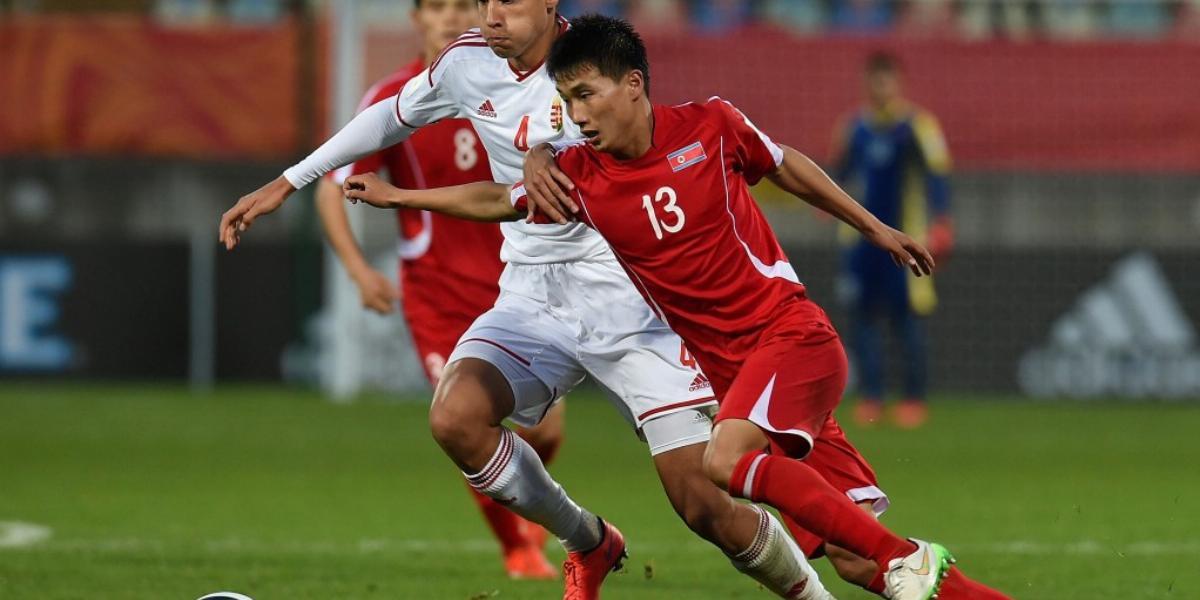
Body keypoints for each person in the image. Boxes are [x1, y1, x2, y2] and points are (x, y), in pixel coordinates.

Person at [340, 15, 1010, 600]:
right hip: (737, 377)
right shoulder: (587, 179)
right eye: (568, 101)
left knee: (725, 466)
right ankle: (927, 573)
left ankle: (907, 557)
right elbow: (499, 199)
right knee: (855, 557)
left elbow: (785, 163)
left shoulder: (711, 126)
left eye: (587, 95)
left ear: (633, 83)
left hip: (787, 339)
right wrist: (399, 199)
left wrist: (875, 228)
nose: (578, 115)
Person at [219, 2, 834, 598]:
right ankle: (587, 540)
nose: (489, 15)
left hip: (631, 300)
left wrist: (546, 153)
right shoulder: (467, 62)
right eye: (484, 0)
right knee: (455, 417)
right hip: (533, 294)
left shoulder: (589, 65)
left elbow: (630, 149)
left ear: (548, 3)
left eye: (507, 1)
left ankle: (812, 593)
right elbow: (389, 117)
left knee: (703, 505)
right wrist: (288, 180)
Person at [312, 0, 561, 580]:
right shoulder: (395, 96)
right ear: (415, 19)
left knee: (545, 430)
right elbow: (333, 187)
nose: (451, 20)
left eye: (461, 7)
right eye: (437, 8)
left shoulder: (505, 79)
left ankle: (518, 499)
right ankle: (517, 549)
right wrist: (358, 271)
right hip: (438, 295)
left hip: (518, 282)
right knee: (464, 422)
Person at [831, 51, 953, 429]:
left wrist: (942, 222)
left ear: (899, 82)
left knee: (907, 320)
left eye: (886, 80)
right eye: (874, 80)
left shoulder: (917, 127)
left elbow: (938, 174)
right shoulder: (855, 128)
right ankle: (872, 396)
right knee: (863, 319)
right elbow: (839, 172)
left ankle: (914, 398)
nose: (880, 87)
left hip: (906, 240)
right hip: (860, 243)